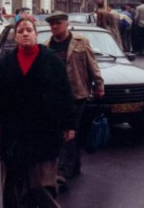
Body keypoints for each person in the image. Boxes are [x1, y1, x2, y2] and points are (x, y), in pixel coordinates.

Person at [0, 18, 76, 208]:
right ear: (15, 37)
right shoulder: (6, 63)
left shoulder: (51, 60)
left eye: (29, 30)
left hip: (44, 134)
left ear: (36, 35)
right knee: (13, 188)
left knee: (41, 187)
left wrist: (69, 124)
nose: (25, 33)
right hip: (14, 136)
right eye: (21, 31)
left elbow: (64, 93)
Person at [44, 11, 104, 187]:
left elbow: (92, 65)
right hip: (56, 97)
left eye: (58, 23)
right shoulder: (47, 45)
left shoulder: (80, 41)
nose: (55, 27)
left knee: (68, 132)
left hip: (78, 93)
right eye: (52, 24)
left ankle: (63, 171)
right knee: (68, 132)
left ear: (66, 24)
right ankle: (75, 165)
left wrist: (98, 85)